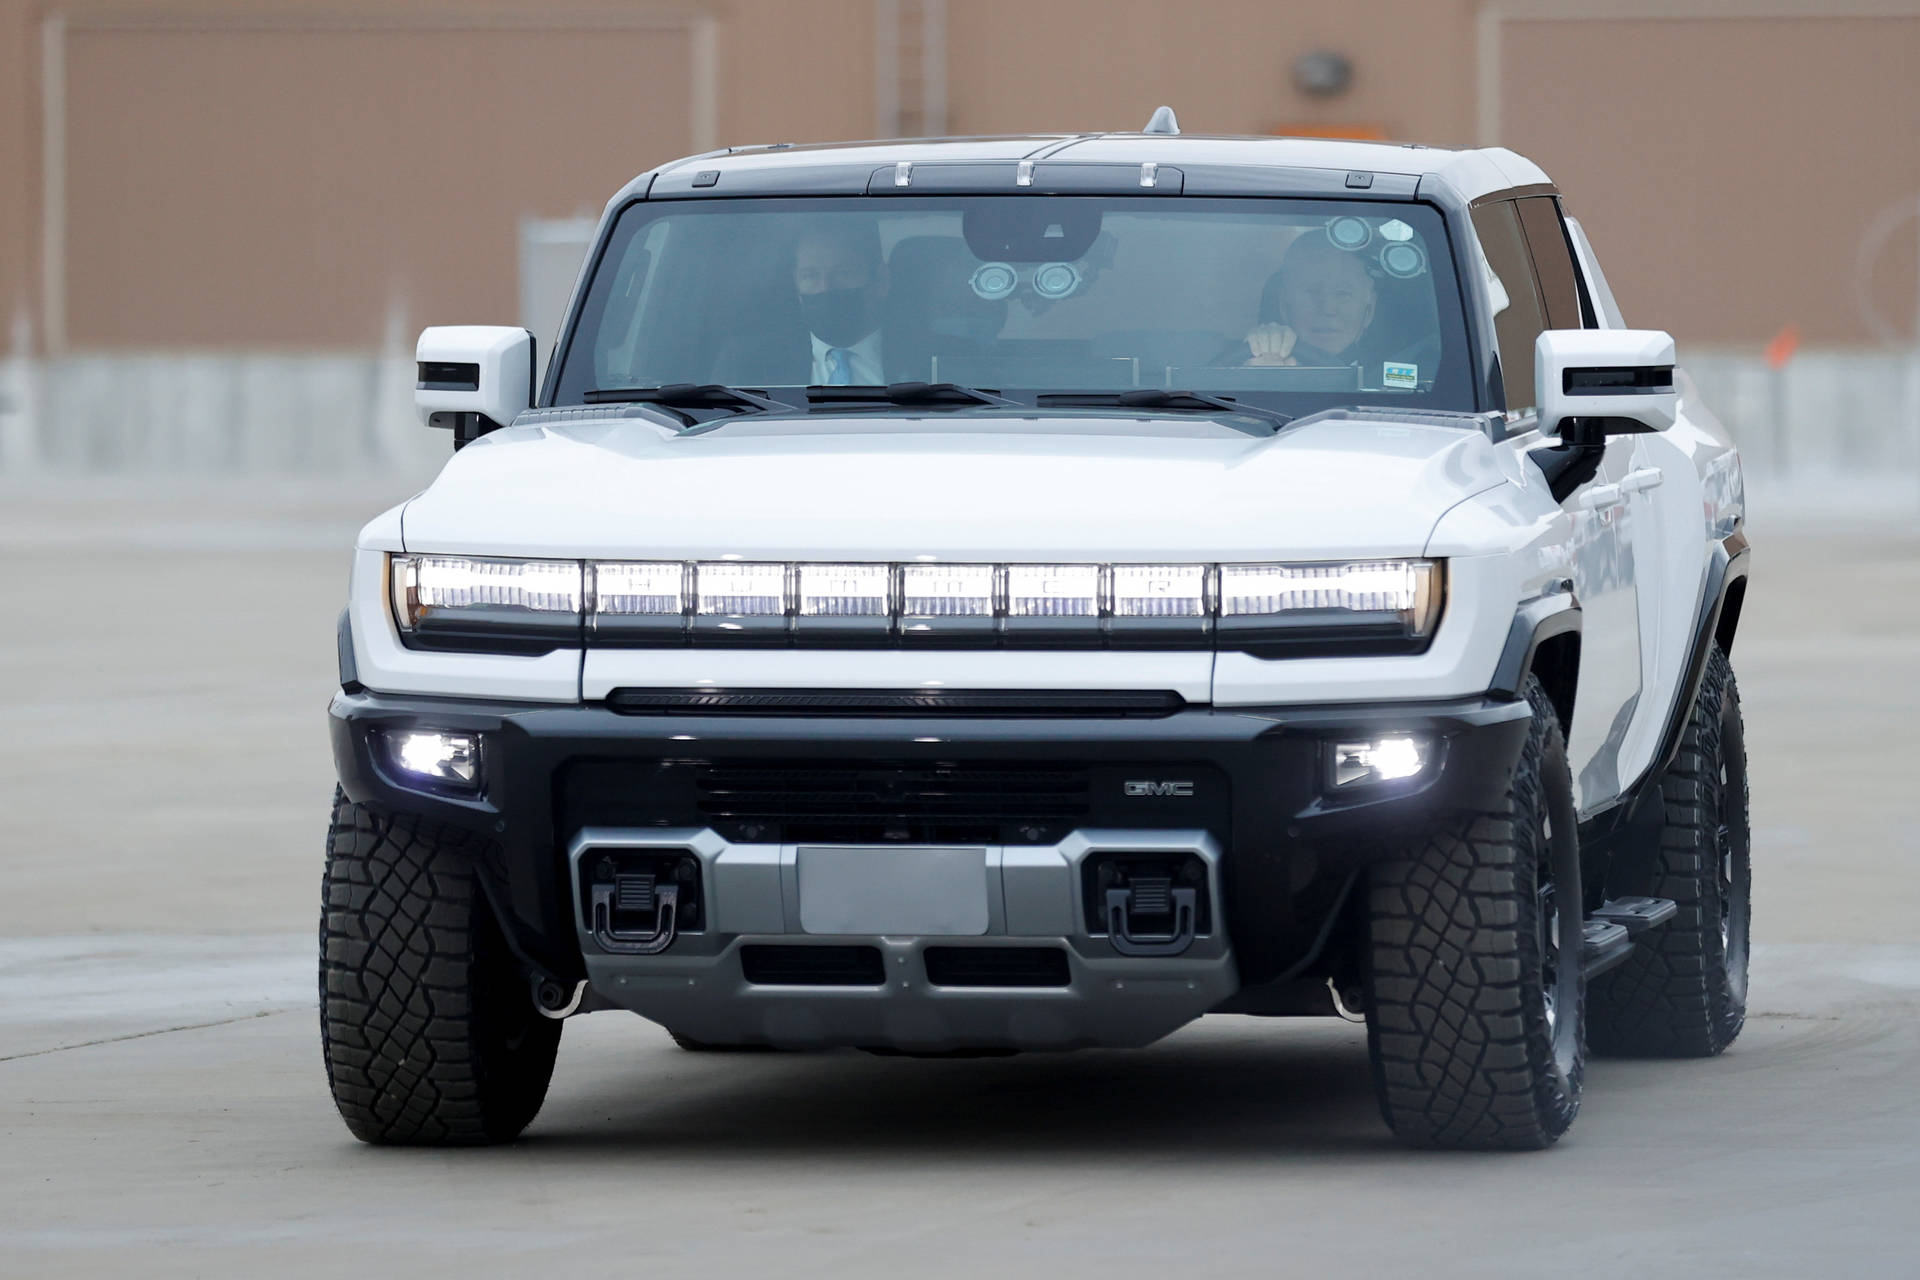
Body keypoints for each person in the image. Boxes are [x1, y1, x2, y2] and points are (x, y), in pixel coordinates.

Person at [1241, 230, 1377, 366]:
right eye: (1311, 292)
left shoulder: (1391, 378)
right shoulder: (1251, 363)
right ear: (1284, 305)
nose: (1327, 309)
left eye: (1343, 294)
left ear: (1369, 310)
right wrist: (1258, 363)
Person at [794, 221, 890, 384]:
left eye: (843, 273)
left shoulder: (925, 359)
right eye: (810, 275)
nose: (825, 287)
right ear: (795, 283)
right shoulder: (761, 367)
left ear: (881, 280)